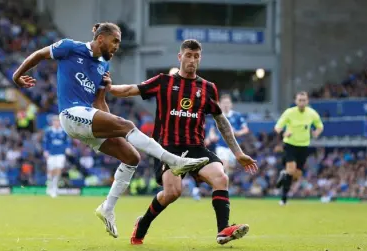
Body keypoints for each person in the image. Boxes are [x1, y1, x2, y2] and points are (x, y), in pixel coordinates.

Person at [11, 23, 209, 238]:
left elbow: (99, 107)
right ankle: (174, 161)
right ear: (101, 39)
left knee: (132, 157)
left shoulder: (103, 67)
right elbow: (39, 54)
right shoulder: (70, 47)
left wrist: (106, 96)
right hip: (70, 114)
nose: (117, 47)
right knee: (128, 126)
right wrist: (17, 76)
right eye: (115, 41)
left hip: (86, 118)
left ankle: (107, 208)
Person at [108, 39, 258, 245]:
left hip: (196, 148)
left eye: (196, 56)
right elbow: (128, 90)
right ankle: (142, 225)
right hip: (167, 148)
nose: (192, 60)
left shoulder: (208, 88)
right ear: (180, 57)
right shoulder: (163, 82)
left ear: (200, 59)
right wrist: (109, 87)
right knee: (172, 192)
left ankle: (223, 230)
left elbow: (221, 121)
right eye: (188, 55)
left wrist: (238, 153)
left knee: (221, 179)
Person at [274, 91, 324, 205]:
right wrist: (284, 133)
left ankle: (283, 174)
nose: (302, 102)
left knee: (296, 176)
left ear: (307, 101)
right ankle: (283, 198)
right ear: (296, 101)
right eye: (300, 100)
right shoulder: (289, 113)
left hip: (304, 146)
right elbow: (277, 127)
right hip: (290, 144)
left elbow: (320, 126)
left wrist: (316, 132)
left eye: (304, 100)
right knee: (291, 170)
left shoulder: (312, 113)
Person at [208, 94, 249, 173]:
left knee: (230, 169)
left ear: (231, 104)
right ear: (219, 104)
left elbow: (246, 129)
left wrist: (237, 133)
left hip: (234, 147)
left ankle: (226, 183)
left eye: (227, 103)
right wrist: (212, 136)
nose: (226, 105)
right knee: (224, 165)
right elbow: (212, 129)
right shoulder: (217, 116)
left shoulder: (237, 116)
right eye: (224, 103)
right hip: (221, 146)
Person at [43, 115, 71, 198]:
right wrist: (45, 151)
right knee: (51, 171)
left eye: (58, 121)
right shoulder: (48, 131)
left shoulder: (63, 131)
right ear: (52, 122)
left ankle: (55, 188)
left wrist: (67, 148)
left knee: (58, 169)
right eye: (55, 121)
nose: (56, 123)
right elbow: (45, 142)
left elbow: (67, 142)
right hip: (51, 154)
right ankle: (50, 186)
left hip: (60, 154)